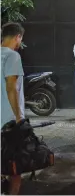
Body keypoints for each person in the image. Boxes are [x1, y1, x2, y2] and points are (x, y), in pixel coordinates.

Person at [1, 22, 25, 195]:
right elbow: (11, 87)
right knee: (15, 172)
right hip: (8, 122)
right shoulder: (13, 56)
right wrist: (18, 118)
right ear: (18, 37)